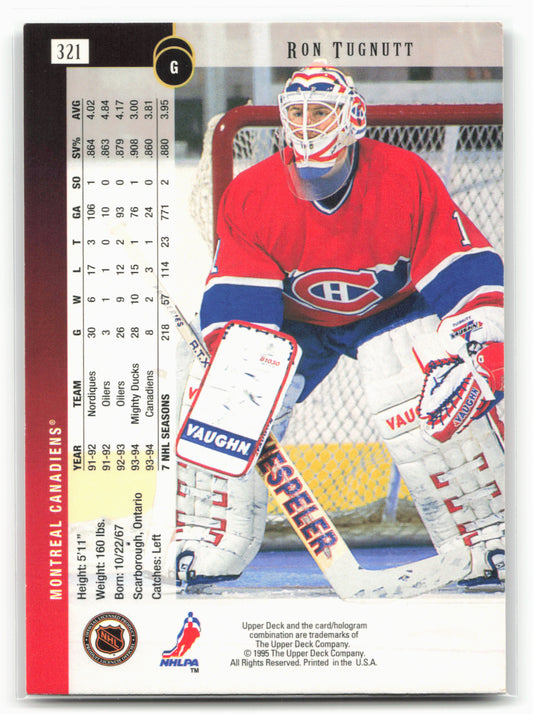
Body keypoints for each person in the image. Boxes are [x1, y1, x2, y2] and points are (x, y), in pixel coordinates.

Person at [170, 62, 505, 591]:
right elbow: (240, 304)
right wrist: (234, 373)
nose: (306, 125)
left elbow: (468, 276)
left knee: (442, 374)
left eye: (321, 111)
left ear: (353, 116)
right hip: (296, 322)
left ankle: (489, 537)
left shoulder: (405, 177)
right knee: (221, 387)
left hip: (393, 313)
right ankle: (208, 536)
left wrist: (480, 343)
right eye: (297, 113)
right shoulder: (254, 192)